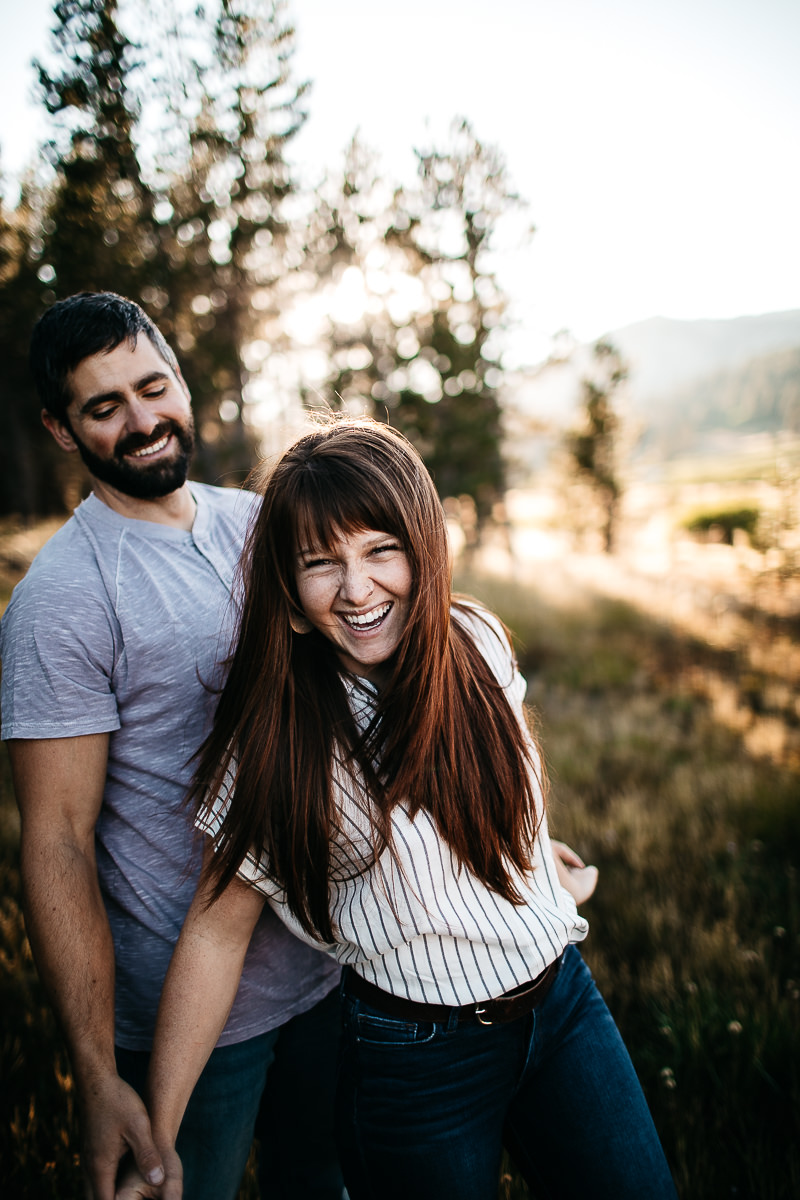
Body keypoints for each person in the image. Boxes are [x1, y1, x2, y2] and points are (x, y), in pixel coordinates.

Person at [118, 416, 677, 1200]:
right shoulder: (278, 740)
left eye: (381, 549)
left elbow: (499, 783)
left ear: (423, 545)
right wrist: (157, 1134)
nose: (357, 588)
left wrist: (532, 866)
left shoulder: (475, 640)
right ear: (287, 588)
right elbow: (215, 930)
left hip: (563, 1006)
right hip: (416, 1060)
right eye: (322, 563)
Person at [0, 293, 344, 1200]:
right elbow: (58, 839)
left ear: (183, 381)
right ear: (62, 430)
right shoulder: (62, 598)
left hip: (330, 968)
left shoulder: (264, 523)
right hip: (187, 1022)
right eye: (104, 407)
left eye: (153, 387)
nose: (143, 422)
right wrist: (95, 1071)